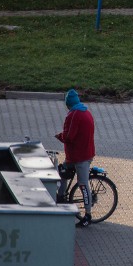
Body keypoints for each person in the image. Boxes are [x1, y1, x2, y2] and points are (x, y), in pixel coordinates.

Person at [55, 89, 96, 228]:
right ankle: (60, 199)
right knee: (62, 172)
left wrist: (59, 136)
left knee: (83, 185)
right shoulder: (86, 112)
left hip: (80, 157)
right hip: (81, 155)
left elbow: (69, 137)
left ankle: (88, 215)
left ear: (68, 104)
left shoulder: (74, 115)